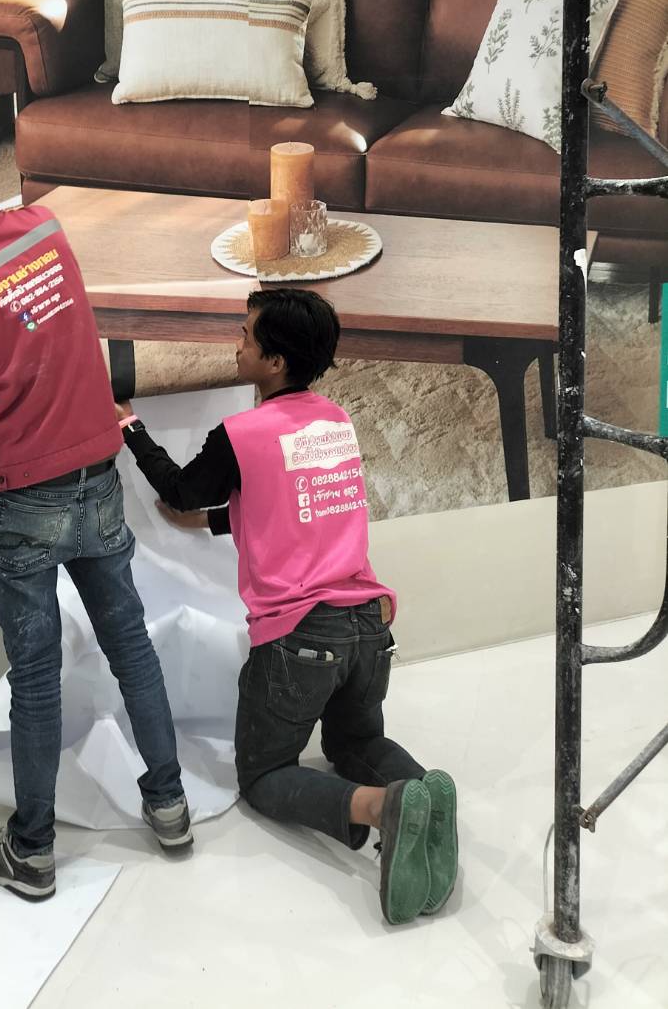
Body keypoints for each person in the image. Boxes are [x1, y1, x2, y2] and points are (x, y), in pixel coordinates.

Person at [0, 119, 191, 902]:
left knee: (37, 676)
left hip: (22, 495)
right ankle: (170, 806)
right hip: (98, 473)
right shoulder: (46, 228)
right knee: (131, 644)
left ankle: (33, 849)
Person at [116, 287, 457, 927]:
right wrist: (213, 522)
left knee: (264, 775)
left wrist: (130, 427)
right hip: (368, 624)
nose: (236, 345)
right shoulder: (334, 422)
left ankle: (381, 809)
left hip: (301, 635)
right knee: (358, 742)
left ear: (274, 361)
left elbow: (182, 489)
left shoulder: (241, 433)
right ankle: (426, 795)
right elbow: (288, 503)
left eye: (245, 335)